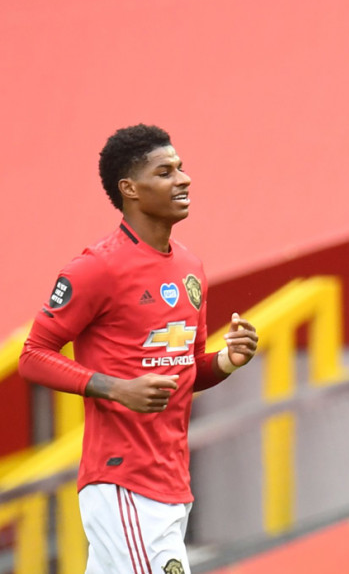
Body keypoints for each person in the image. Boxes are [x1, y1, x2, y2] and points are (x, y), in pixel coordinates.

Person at [18, 124, 260, 574]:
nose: (183, 179)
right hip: (124, 480)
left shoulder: (190, 267)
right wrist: (115, 388)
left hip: (171, 480)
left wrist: (227, 361)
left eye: (181, 168)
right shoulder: (95, 268)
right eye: (165, 172)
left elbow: (183, 372)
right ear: (129, 189)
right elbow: (32, 356)